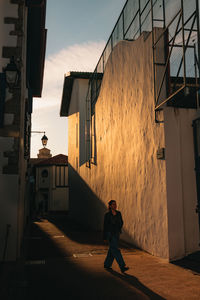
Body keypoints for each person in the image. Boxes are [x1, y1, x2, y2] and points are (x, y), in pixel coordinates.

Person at [103, 200, 129, 273]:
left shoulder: (118, 213)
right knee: (116, 250)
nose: (115, 205)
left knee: (112, 249)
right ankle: (122, 266)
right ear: (110, 206)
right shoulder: (107, 215)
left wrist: (118, 228)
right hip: (110, 234)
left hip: (116, 234)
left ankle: (107, 264)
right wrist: (104, 237)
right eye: (113, 204)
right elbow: (105, 226)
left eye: (115, 204)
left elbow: (121, 222)